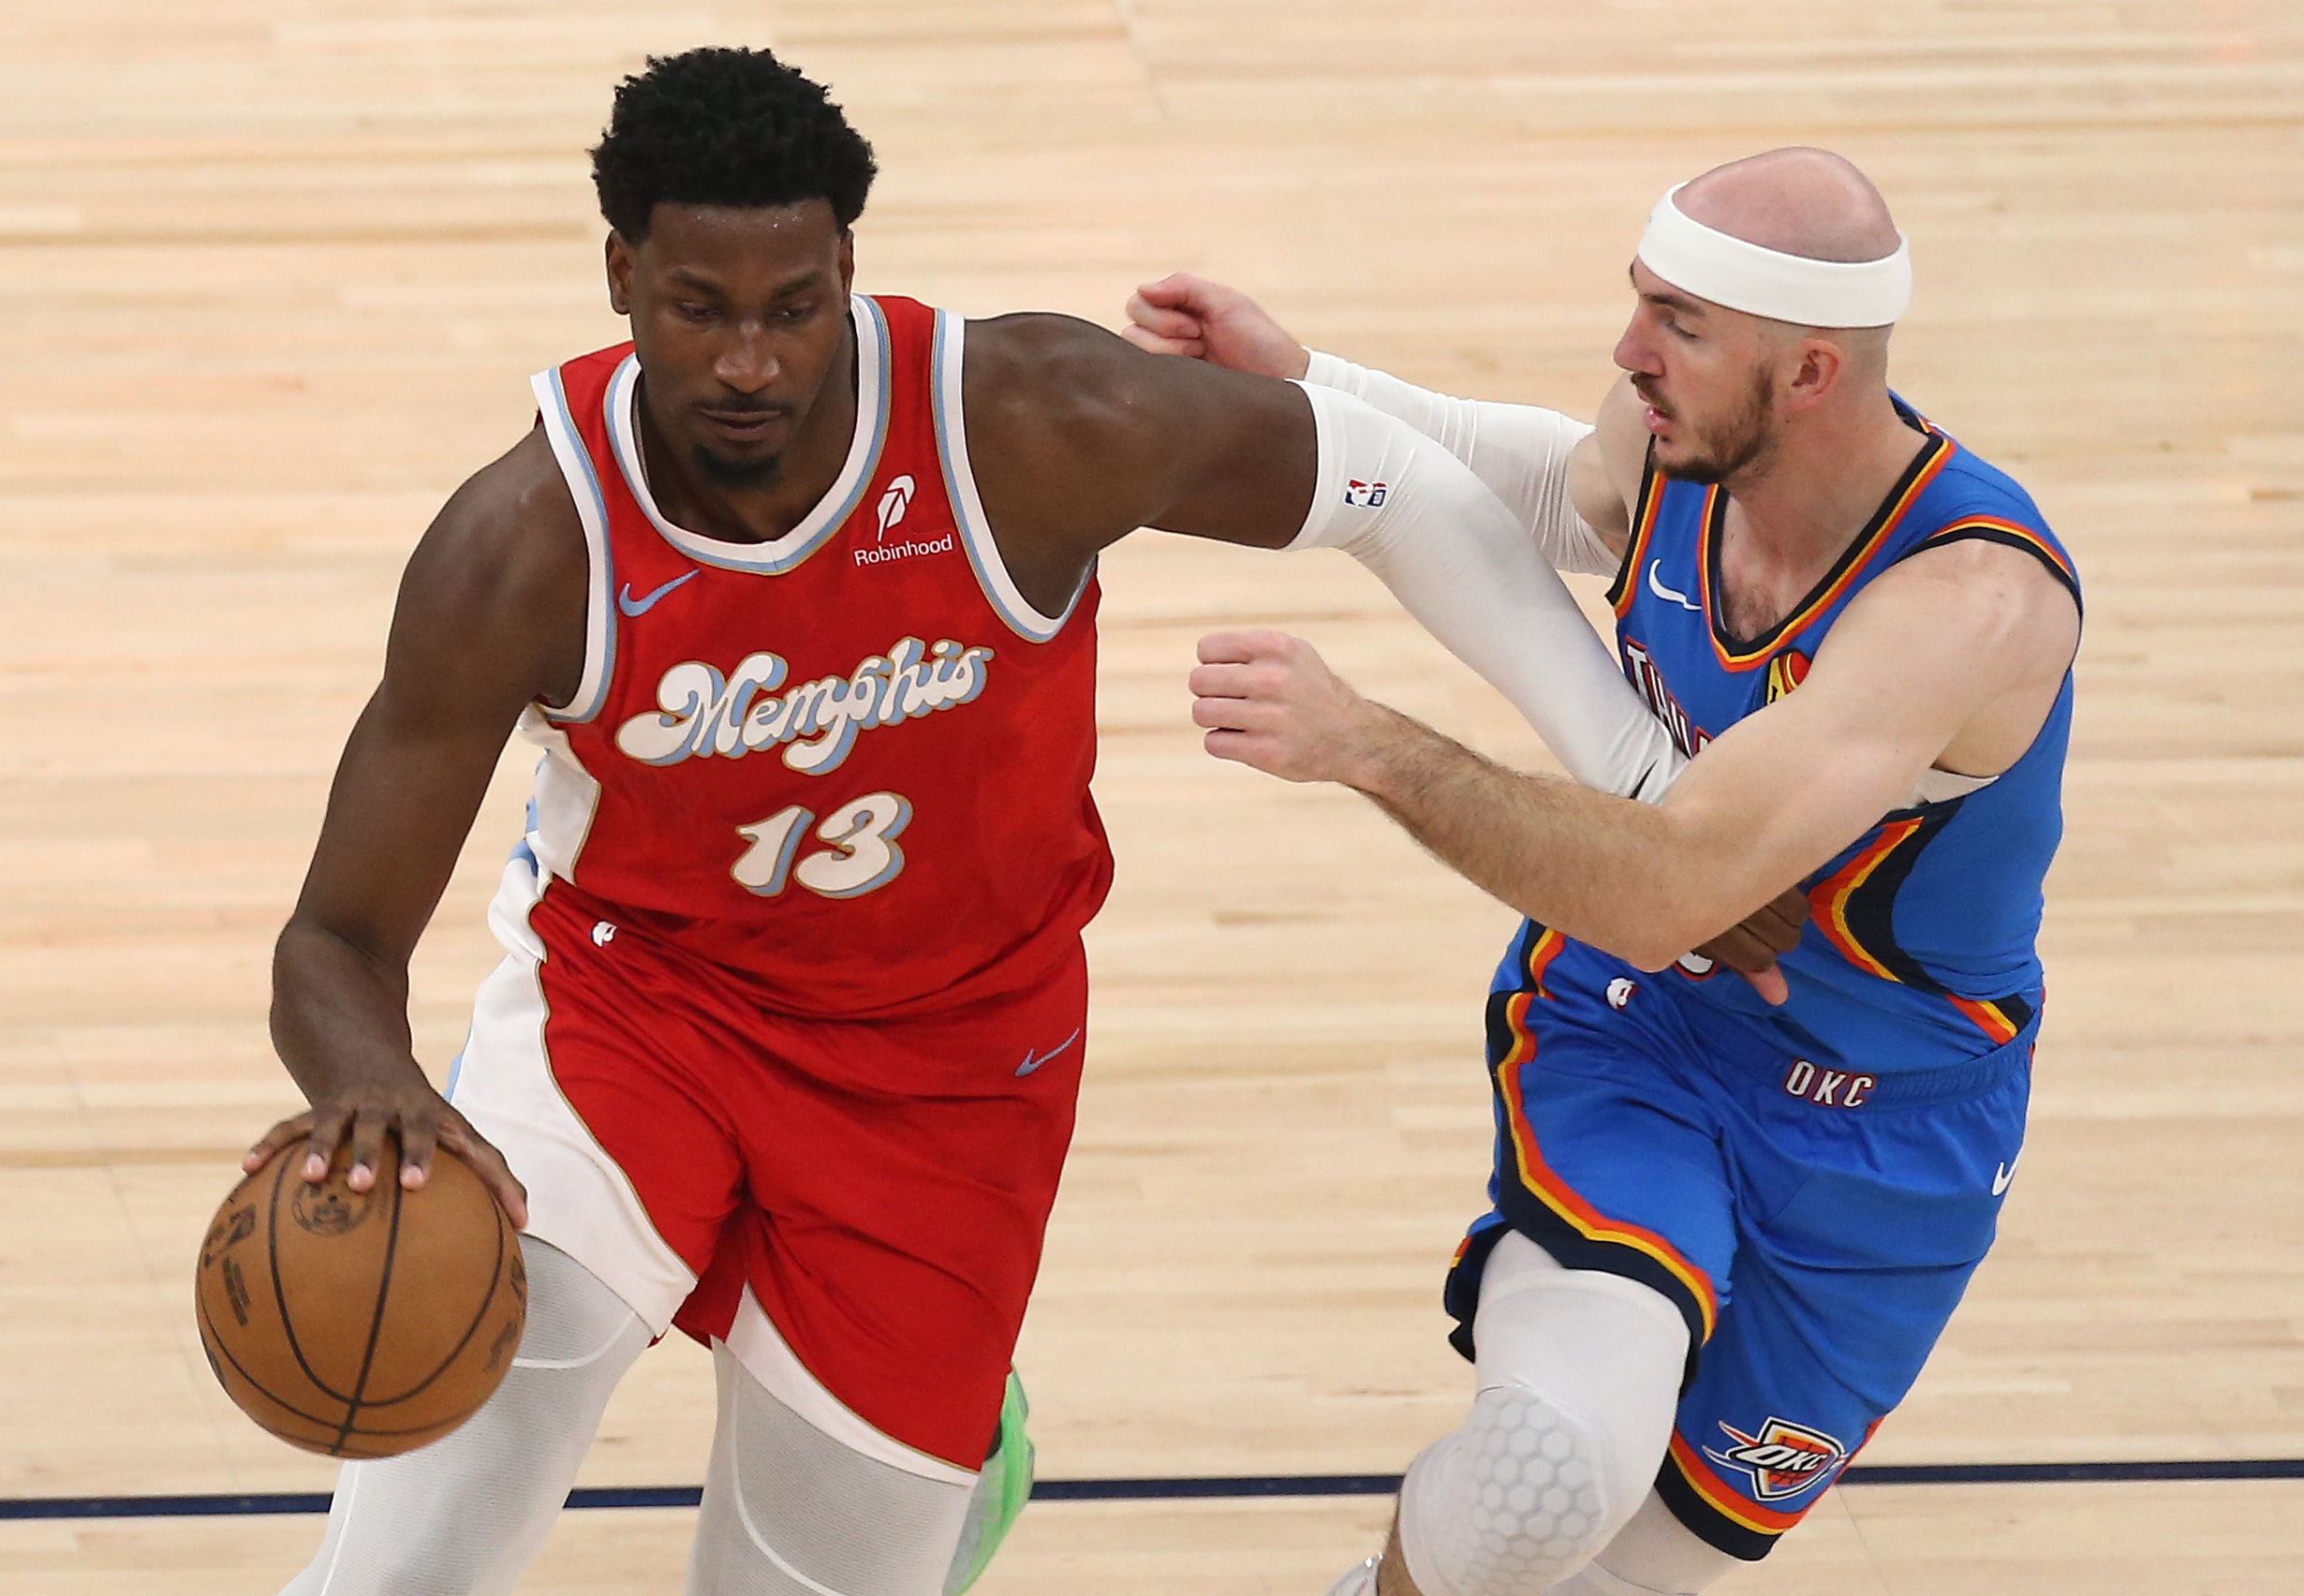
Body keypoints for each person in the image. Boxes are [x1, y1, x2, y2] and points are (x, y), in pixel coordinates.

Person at [239, 47, 1794, 1596]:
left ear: (847, 268)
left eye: (792, 306)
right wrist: (370, 1082)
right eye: (696, 309)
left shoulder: (1028, 422)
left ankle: (961, 1451)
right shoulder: (522, 545)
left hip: (955, 1070)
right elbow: (336, 939)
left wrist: (1648, 798)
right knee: (412, 1551)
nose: (747, 364)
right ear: (620, 278)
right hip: (639, 1017)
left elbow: (1388, 484)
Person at [1127, 146, 2079, 1596]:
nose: (1630, 353)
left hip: (1893, 1135)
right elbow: (1545, 490)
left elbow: (1665, 881)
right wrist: (1309, 379)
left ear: (1811, 372)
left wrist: (1373, 745)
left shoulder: (1967, 607)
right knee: (1543, 1481)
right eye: (1642, 304)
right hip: (1646, 1034)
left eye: (1680, 326)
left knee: (1599, 1580)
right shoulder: (1677, 440)